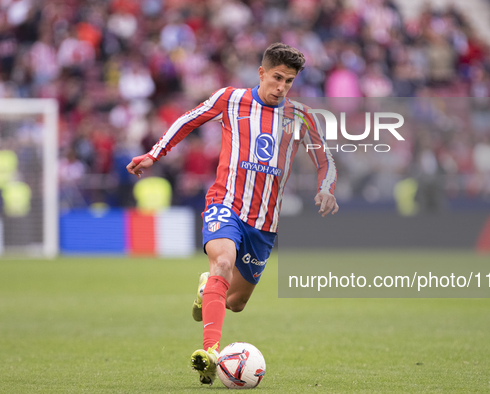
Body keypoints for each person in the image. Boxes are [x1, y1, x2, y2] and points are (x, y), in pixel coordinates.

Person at [126, 43, 338, 385]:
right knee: (222, 262)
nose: (282, 86)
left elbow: (325, 159)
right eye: (277, 78)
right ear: (262, 73)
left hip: (264, 225)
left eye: (289, 81)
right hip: (226, 204)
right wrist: (155, 154)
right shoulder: (232, 99)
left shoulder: (301, 117)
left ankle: (206, 289)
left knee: (236, 302)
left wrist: (326, 187)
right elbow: (188, 119)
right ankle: (210, 352)